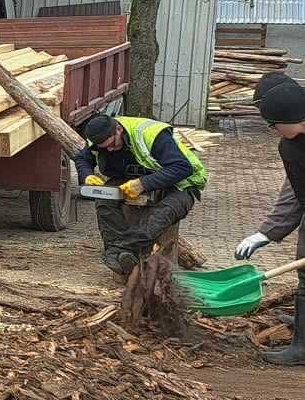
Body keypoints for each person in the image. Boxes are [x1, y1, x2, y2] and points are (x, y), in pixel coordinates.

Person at [74, 112, 208, 277]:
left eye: (112, 144)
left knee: (161, 214)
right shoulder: (97, 140)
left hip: (181, 183)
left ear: (118, 130)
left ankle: (118, 251)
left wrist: (143, 184)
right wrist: (87, 174)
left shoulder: (152, 134)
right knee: (104, 202)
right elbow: (82, 158)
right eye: (104, 148)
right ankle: (122, 256)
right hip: (130, 178)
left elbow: (182, 168)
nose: (109, 149)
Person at [233, 76, 305, 366]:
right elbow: (300, 195)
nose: (272, 131)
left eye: (273, 124)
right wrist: (266, 234)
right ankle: (302, 345)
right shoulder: (291, 147)